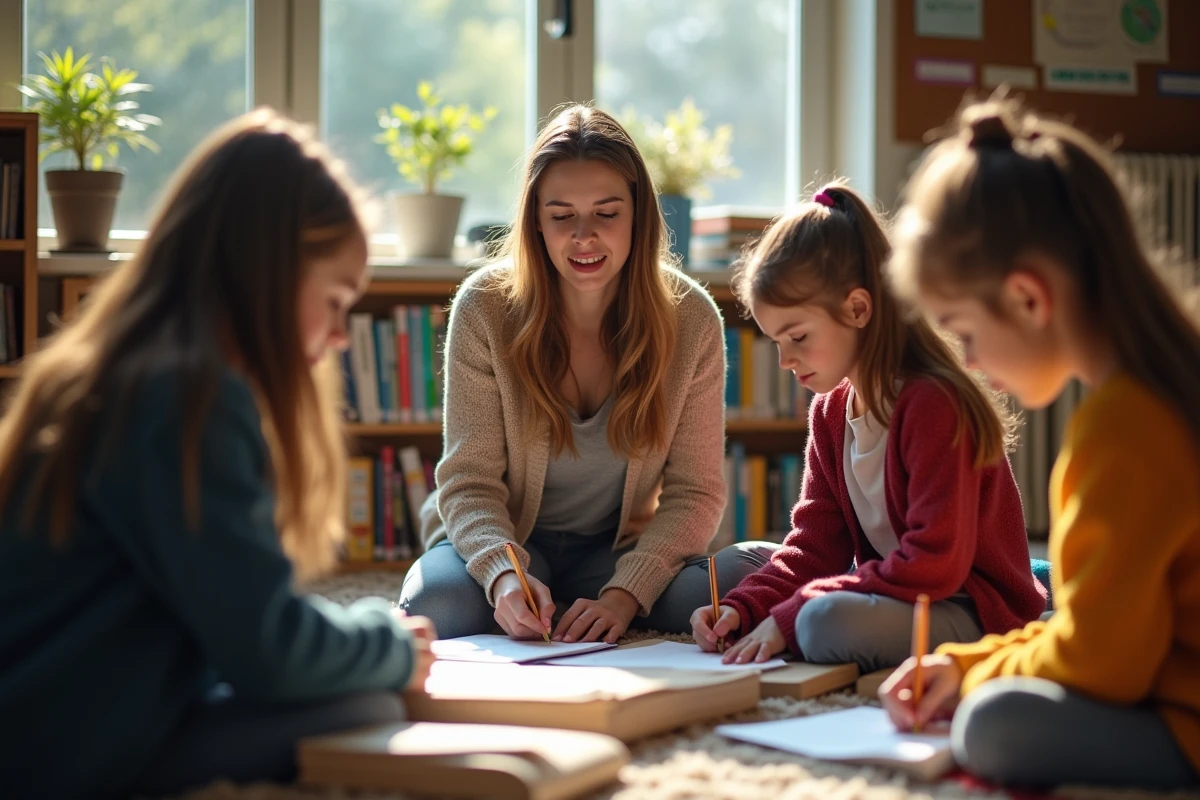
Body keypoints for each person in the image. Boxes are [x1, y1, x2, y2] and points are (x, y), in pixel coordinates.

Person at [0, 109, 435, 800]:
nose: (342, 337)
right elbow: (268, 647)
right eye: (335, 301)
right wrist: (385, 642)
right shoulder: (188, 397)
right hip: (60, 750)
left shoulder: (115, 368)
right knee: (366, 708)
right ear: (269, 268)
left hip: (40, 716)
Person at [879, 96, 1200, 790]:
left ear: (1028, 298)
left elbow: (1099, 663)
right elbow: (1088, 624)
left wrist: (973, 680)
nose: (968, 359)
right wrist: (961, 663)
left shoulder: (1124, 424)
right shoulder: (1170, 378)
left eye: (964, 331)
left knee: (993, 723)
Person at [398, 105, 772, 642]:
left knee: (741, 581)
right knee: (441, 604)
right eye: (561, 215)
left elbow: (696, 492)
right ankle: (522, 590)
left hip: (617, 555)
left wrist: (623, 597)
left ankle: (588, 601)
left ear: (639, 214)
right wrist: (504, 576)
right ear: (535, 222)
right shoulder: (484, 307)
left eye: (607, 213)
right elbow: (468, 481)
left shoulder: (690, 318)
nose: (584, 236)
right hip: (509, 541)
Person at [691, 182, 1046, 673]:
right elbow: (815, 545)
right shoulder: (831, 411)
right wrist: (743, 608)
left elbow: (933, 564)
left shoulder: (931, 405)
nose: (784, 360)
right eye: (775, 341)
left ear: (858, 309)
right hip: (903, 591)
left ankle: (1040, 596)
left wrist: (788, 616)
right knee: (741, 576)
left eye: (797, 336)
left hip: (967, 604)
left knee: (820, 623)